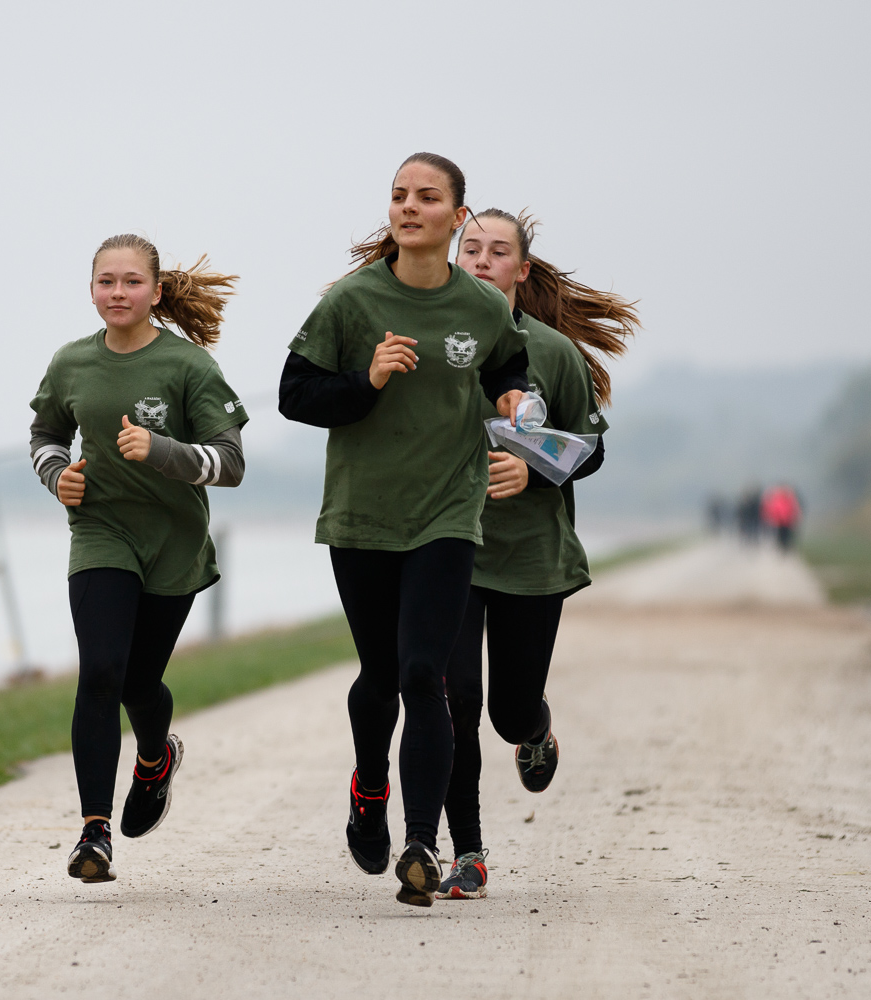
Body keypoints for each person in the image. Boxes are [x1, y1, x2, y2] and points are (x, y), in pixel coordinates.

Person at [278, 153, 529, 907]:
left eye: (426, 198)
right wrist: (368, 379)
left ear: (457, 219)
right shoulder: (352, 303)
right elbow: (295, 395)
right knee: (381, 676)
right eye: (397, 196)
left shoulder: (483, 309)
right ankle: (369, 787)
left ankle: (421, 843)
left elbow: (506, 367)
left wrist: (514, 400)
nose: (407, 207)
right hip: (362, 516)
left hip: (448, 514)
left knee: (427, 675)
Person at [29, 235, 247, 884]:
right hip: (100, 533)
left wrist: (161, 451)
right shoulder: (71, 364)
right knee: (100, 671)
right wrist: (56, 475)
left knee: (137, 683)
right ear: (91, 289)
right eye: (105, 282)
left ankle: (155, 756)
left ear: (155, 291)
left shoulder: (189, 368)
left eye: (130, 282)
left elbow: (229, 462)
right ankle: (94, 833)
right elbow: (44, 435)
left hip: (173, 545)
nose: (117, 294)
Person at [436, 208, 637, 900]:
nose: (483, 260)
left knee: (506, 712)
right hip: (447, 549)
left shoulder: (553, 354)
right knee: (456, 699)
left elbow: (592, 448)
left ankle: (536, 729)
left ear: (521, 271)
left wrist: (537, 469)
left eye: (498, 252)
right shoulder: (434, 344)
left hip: (530, 557)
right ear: (456, 259)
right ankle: (467, 852)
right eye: (472, 249)